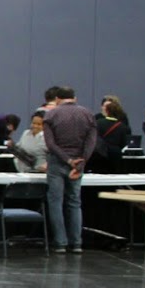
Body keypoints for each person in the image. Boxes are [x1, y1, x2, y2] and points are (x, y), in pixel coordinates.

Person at [42, 86, 98, 254]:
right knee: (74, 202)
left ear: (57, 99)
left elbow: (50, 144)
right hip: (79, 163)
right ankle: (76, 243)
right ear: (75, 98)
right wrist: (80, 163)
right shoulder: (88, 115)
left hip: (57, 163)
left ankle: (60, 243)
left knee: (56, 202)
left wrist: (67, 160)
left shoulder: (50, 115)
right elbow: (91, 143)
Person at [91, 96, 132, 173]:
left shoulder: (98, 122)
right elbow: (124, 141)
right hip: (115, 154)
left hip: (99, 153)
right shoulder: (122, 125)